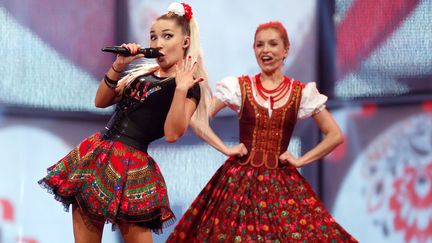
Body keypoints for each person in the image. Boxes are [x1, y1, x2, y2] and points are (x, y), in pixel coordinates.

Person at [167, 21, 358, 242]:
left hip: (281, 183)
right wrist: (224, 148)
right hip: (239, 184)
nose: (265, 50)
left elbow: (335, 135)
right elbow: (197, 120)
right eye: (260, 45)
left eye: (273, 44)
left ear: (286, 50)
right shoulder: (239, 87)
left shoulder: (300, 93)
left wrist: (302, 160)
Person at [38, 2, 210, 243]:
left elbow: (172, 134)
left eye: (167, 36)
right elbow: (100, 101)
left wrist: (180, 90)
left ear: (185, 41)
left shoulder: (189, 86)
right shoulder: (141, 74)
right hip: (97, 156)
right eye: (153, 37)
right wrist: (118, 66)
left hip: (133, 167)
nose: (158, 43)